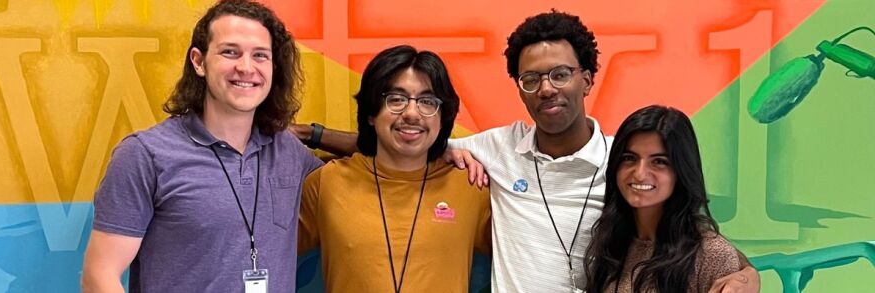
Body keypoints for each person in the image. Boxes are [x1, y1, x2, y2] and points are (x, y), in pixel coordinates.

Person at [294, 10, 759, 293]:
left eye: (560, 74)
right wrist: (315, 133)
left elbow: (687, 224)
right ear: (519, 86)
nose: (546, 89)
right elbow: (404, 144)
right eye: (531, 78)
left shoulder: (626, 162)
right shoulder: (495, 150)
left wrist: (748, 275)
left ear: (586, 78)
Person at [81, 1, 322, 292]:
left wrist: (315, 134)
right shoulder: (144, 155)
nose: (246, 67)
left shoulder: (289, 152)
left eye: (260, 55)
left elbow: (380, 157)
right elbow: (99, 275)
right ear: (198, 61)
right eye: (230, 52)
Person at [297, 45, 491, 293]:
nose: (411, 113)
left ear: (442, 117)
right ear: (370, 113)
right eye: (396, 99)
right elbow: (265, 249)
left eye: (427, 101)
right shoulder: (328, 182)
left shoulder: (471, 186)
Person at [584, 105, 741, 293]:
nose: (640, 174)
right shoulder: (610, 240)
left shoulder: (711, 254)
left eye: (659, 162)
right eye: (629, 158)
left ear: (681, 170)